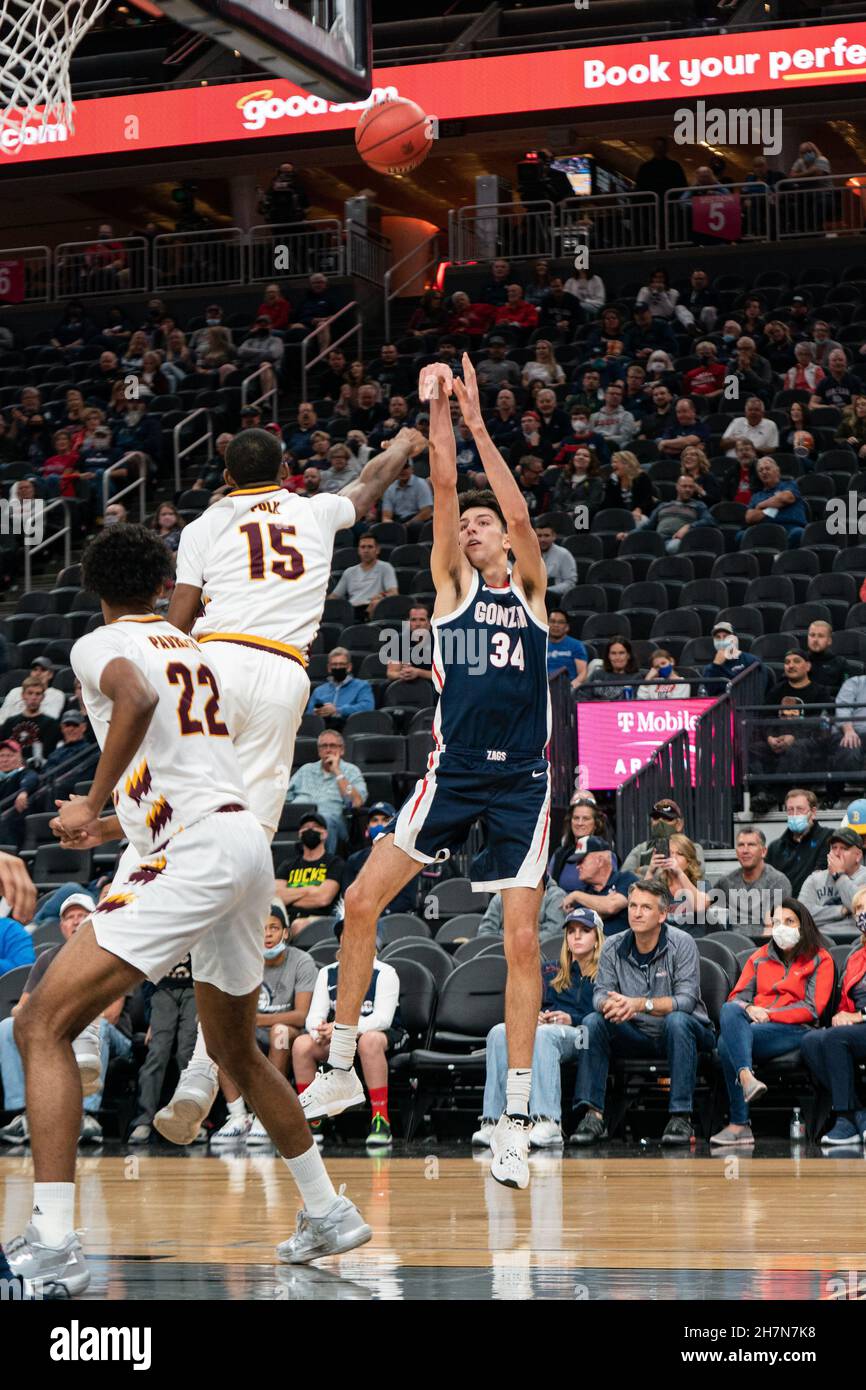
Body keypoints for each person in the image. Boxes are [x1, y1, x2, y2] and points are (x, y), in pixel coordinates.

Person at [6, 525, 372, 1292]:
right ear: (161, 584)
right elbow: (184, 769)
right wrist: (108, 821)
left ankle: (52, 1238)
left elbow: (132, 699)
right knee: (234, 1050)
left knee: (41, 1023)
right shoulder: (190, 648)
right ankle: (326, 1210)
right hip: (241, 843)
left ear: (96, 586)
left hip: (195, 852)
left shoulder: (102, 645)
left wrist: (91, 801)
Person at [299, 354, 553, 1191]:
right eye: (470, 527)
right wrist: (439, 410)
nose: (476, 528)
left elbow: (513, 509)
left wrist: (483, 421)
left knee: (520, 941)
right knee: (361, 901)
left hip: (521, 782)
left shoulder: (534, 596)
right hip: (451, 778)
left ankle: (515, 1122)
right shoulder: (449, 591)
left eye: (486, 526)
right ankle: (338, 1064)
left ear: (507, 544)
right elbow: (444, 488)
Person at [136, 427, 422, 1144]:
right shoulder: (314, 510)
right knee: (247, 859)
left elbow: (176, 625)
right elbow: (373, 478)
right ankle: (208, 1062)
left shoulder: (205, 524)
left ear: (225, 474)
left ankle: (199, 1056)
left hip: (217, 665)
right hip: (283, 674)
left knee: (190, 837)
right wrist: (408, 440)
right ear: (289, 470)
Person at [571, 879, 714, 1146]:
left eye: (646, 908)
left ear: (662, 914)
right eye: (633, 906)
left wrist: (638, 1004)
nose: (636, 913)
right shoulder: (612, 946)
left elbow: (686, 1000)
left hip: (685, 1033)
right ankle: (593, 1115)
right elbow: (600, 993)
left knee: (677, 1021)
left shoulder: (682, 943)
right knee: (592, 1022)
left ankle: (681, 1116)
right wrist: (609, 1005)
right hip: (635, 1032)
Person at [0, 894, 131, 1149]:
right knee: (7, 1027)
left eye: (81, 916)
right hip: (60, 1029)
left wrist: (62, 1018)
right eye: (69, 917)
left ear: (94, 920)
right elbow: (22, 1008)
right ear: (61, 927)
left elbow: (112, 1013)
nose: (75, 922)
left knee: (96, 1025)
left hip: (110, 1034)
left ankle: (85, 1115)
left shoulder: (113, 954)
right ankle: (22, 1114)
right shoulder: (48, 959)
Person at [474, 906, 603, 1149]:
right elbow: (534, 1003)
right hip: (548, 1029)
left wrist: (571, 1018)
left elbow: (603, 1014)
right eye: (572, 931)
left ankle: (547, 1121)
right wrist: (538, 1016)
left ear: (597, 938)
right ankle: (493, 1120)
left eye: (585, 931)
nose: (576, 936)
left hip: (583, 1035)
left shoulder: (605, 972)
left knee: (545, 1036)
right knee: (500, 1033)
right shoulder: (550, 970)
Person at [711, 898, 833, 1146]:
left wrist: (768, 1013)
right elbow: (737, 999)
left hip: (797, 1030)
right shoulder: (758, 958)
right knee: (729, 1009)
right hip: (757, 1027)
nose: (781, 927)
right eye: (776, 922)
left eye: (789, 922)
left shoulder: (820, 959)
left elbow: (812, 1008)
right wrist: (751, 1008)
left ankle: (740, 1124)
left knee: (726, 1043)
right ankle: (747, 1077)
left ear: (803, 925)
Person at [211, 903, 318, 1144]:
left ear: (286, 933)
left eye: (274, 928)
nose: (268, 934)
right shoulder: (245, 962)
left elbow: (301, 1015)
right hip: (252, 1031)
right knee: (220, 1037)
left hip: (288, 1032)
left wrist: (260, 1019)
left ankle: (266, 1117)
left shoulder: (302, 961)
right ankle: (239, 1117)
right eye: (262, 929)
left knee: (279, 1033)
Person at [293, 922, 405, 1148]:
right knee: (301, 1044)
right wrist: (320, 1032)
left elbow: (383, 1019)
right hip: (340, 1037)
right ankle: (312, 1120)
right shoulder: (328, 973)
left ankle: (380, 1118)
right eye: (347, 935)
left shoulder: (385, 972)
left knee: (369, 1041)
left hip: (382, 1035)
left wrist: (343, 1029)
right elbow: (313, 1017)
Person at [801, 884, 866, 1145]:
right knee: (809, 1041)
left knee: (834, 1039)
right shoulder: (855, 956)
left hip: (862, 1023)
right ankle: (857, 1113)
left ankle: (844, 1116)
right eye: (858, 908)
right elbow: (844, 1002)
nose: (862, 913)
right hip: (856, 1027)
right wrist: (842, 1015)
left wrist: (860, 1016)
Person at [128, 952, 200, 1145]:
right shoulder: (159, 923)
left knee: (188, 1053)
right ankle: (144, 1120)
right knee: (157, 1052)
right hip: (162, 990)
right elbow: (146, 971)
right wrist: (150, 1015)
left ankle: (192, 1120)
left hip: (196, 989)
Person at [284, 732, 366, 854]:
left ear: (342, 750)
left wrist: (337, 772)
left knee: (322, 821)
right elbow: (285, 797)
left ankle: (324, 864)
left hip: (332, 822)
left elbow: (356, 802)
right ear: (319, 751)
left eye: (333, 746)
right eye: (324, 746)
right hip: (300, 819)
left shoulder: (351, 771)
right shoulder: (306, 770)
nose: (328, 750)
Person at [343, 803, 417, 917]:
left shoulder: (406, 858)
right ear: (367, 827)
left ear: (396, 824)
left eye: (386, 819)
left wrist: (380, 912)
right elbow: (348, 895)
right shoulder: (354, 860)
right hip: (362, 917)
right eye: (374, 820)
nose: (379, 824)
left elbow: (409, 898)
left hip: (395, 919)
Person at [714, 829, 791, 930]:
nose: (745, 850)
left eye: (751, 845)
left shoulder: (778, 882)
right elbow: (702, 904)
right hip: (731, 942)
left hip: (764, 942)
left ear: (763, 851)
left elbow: (774, 928)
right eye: (741, 845)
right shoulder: (726, 881)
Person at [561, 837, 638, 937]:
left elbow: (611, 906)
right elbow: (586, 922)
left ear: (600, 861)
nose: (577, 866)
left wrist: (576, 896)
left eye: (581, 861)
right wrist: (603, 904)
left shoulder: (626, 879)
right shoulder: (584, 892)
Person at [766, 787, 834, 896]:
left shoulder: (828, 837)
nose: (795, 814)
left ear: (813, 812)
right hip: (783, 907)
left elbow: (820, 877)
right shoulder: (775, 847)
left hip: (814, 906)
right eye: (790, 810)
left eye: (800, 809)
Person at [799, 827, 866, 929]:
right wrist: (842, 910)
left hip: (858, 940)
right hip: (820, 940)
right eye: (834, 847)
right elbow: (801, 915)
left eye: (844, 848)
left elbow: (863, 913)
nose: (837, 853)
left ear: (858, 856)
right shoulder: (814, 879)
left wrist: (839, 876)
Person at [637, 473, 718, 554]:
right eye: (684, 486)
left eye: (691, 487)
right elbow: (647, 526)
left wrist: (689, 526)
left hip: (677, 540)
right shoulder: (663, 505)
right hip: (657, 540)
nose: (688, 489)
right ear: (677, 487)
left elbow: (710, 520)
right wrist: (628, 534)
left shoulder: (698, 505)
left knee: (673, 547)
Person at [622, 798, 706, 877]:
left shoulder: (693, 848)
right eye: (656, 818)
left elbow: (700, 878)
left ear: (679, 824)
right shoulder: (642, 849)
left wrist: (642, 870)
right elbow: (624, 877)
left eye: (667, 818)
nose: (660, 822)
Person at [328, 534, 399, 620]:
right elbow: (334, 596)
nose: (366, 550)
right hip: (351, 611)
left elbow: (393, 593)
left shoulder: (385, 567)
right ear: (358, 550)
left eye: (370, 547)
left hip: (373, 609)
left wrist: (382, 596)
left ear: (377, 550)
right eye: (363, 547)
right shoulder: (349, 572)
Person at [742, 456, 806, 547]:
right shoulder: (757, 495)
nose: (764, 472)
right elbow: (749, 517)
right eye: (760, 470)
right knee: (741, 535)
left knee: (798, 533)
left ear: (777, 470)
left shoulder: (789, 484)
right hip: (765, 531)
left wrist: (760, 506)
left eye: (767, 468)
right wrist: (775, 504)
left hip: (790, 527)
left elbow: (787, 498)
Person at [548, 800, 613, 889]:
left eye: (585, 819)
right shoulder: (560, 854)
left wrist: (577, 897)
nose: (580, 823)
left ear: (596, 824)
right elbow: (549, 886)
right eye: (576, 818)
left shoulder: (605, 854)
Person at [306, 648, 374, 727]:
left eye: (342, 664)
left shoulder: (362, 686)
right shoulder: (319, 691)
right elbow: (309, 715)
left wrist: (337, 710)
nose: (338, 668)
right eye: (334, 664)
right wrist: (317, 712)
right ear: (329, 668)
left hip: (349, 727)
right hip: (323, 729)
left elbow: (367, 707)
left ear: (349, 667)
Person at [0, 678, 59, 762]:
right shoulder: (10, 722)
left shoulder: (51, 724)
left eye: (38, 694)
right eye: (30, 693)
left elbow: (48, 753)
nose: (33, 697)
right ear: (23, 695)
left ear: (43, 697)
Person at [701, 620, 762, 695]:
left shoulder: (752, 661)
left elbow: (757, 691)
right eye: (717, 637)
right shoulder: (710, 668)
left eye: (726, 636)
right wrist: (716, 665)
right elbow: (710, 693)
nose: (722, 640)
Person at [0, 658, 65, 721]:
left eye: (43, 670)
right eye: (35, 669)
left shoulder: (56, 695)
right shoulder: (15, 692)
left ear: (50, 674)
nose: (38, 673)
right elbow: (2, 717)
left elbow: (50, 718)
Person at [766, 649, 831, 709]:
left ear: (808, 666)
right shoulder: (775, 692)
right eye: (787, 662)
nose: (791, 666)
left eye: (797, 661)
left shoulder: (821, 693)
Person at [381, 459, 433, 534]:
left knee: (416, 526)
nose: (402, 471)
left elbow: (426, 512)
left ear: (411, 469)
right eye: (400, 468)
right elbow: (386, 516)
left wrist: (407, 524)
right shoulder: (390, 488)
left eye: (405, 467)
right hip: (397, 520)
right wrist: (390, 524)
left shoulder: (421, 484)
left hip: (416, 519)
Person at [584, 635, 640, 700]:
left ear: (628, 655)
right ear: (608, 656)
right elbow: (581, 697)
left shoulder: (639, 676)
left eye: (621, 653)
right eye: (613, 653)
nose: (617, 657)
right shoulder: (597, 675)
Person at [634, 137, 687, 201]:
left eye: (661, 146)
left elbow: (682, 185)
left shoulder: (674, 166)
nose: (659, 149)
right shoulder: (645, 167)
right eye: (658, 146)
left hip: (666, 202)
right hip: (655, 202)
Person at [806, 620, 850, 695]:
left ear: (829, 640)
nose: (815, 640)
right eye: (812, 635)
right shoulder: (799, 660)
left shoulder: (841, 663)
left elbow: (847, 690)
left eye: (820, 636)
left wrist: (819, 690)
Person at [546, 609, 587, 688]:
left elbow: (582, 673)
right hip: (544, 687)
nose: (556, 625)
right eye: (552, 621)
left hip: (567, 687)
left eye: (560, 622)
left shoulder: (576, 645)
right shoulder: (540, 644)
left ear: (567, 627)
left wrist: (572, 686)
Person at [534, 523, 576, 598]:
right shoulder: (529, 554)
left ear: (554, 536)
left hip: (556, 598)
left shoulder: (564, 554)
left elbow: (570, 583)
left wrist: (546, 591)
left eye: (546, 535)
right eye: (539, 536)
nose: (542, 539)